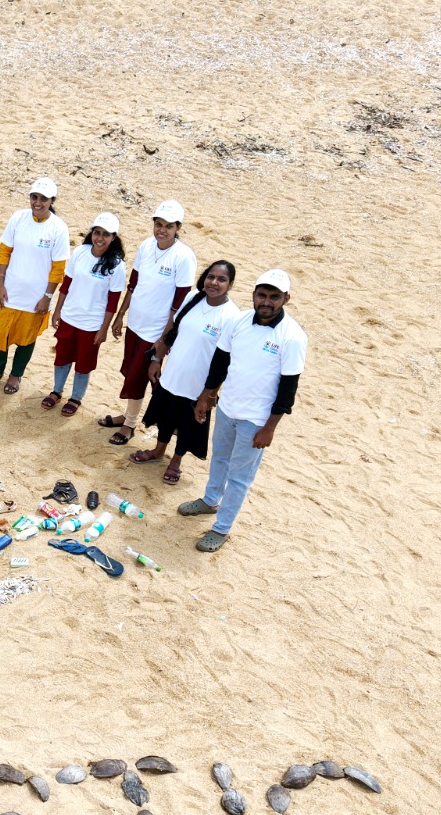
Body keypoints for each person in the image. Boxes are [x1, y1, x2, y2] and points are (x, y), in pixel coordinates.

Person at [180, 270, 307, 551]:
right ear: (253, 295)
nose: (266, 302)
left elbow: (288, 389)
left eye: (274, 297)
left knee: (239, 476)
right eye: (262, 295)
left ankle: (221, 529)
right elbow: (220, 363)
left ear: (286, 299)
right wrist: (206, 397)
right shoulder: (238, 321)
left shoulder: (293, 337)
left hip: (257, 419)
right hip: (228, 408)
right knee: (220, 459)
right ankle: (210, 500)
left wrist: (269, 428)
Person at [133, 260, 241, 485]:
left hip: (198, 384)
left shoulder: (231, 316)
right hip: (173, 374)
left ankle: (176, 462)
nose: (214, 283)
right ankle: (158, 451)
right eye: (211, 277)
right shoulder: (193, 297)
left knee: (188, 425)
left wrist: (209, 394)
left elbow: (226, 361)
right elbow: (173, 330)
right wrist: (157, 359)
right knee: (166, 416)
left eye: (221, 279)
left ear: (230, 285)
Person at [102, 199, 196, 445]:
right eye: (158, 224)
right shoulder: (146, 246)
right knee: (131, 371)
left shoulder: (183, 257)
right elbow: (133, 284)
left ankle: (130, 424)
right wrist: (121, 315)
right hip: (135, 323)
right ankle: (130, 415)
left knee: (139, 376)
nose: (162, 230)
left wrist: (164, 338)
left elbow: (179, 303)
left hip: (155, 330)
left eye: (168, 226)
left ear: (178, 228)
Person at [0, 177, 69, 395]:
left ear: (52, 201)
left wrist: (47, 297)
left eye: (43, 199)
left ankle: (15, 375)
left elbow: (58, 268)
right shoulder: (18, 218)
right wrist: (0, 285)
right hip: (10, 292)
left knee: (26, 337)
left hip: (36, 297)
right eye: (34, 197)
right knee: (0, 333)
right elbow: (4, 253)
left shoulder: (58, 227)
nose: (37, 203)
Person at [44, 213, 126, 416]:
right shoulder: (80, 252)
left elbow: (113, 301)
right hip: (70, 316)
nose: (100, 238)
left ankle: (76, 397)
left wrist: (104, 329)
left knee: (83, 363)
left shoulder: (117, 265)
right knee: (62, 357)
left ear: (113, 237)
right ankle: (56, 391)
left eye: (106, 234)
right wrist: (58, 310)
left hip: (92, 323)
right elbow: (67, 284)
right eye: (97, 232)